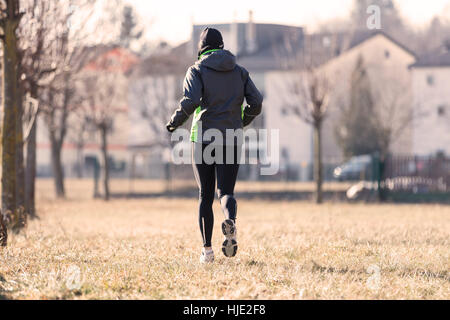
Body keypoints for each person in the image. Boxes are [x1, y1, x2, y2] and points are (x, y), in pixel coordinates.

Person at [166, 27, 263, 263]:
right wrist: (242, 121)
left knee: (205, 195)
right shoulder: (239, 72)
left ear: (201, 49)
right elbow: (257, 101)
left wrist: (174, 123)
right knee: (226, 192)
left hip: (204, 137)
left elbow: (191, 101)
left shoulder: (196, 70)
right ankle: (231, 221)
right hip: (231, 137)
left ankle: (207, 251)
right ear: (221, 46)